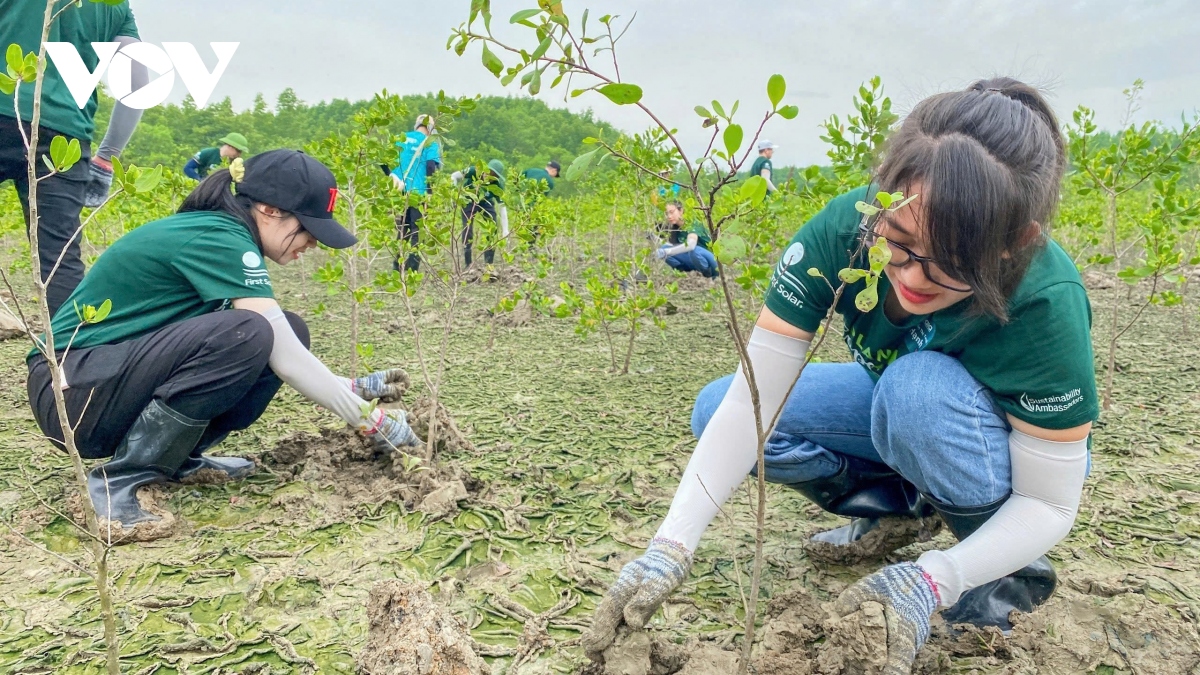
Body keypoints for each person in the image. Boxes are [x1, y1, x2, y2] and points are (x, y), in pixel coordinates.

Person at [582, 78, 1096, 673]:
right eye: (899, 242)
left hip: (987, 446)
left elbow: (1050, 502)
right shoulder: (845, 229)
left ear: (1015, 244)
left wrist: (935, 581)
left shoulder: (1045, 298)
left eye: (953, 263)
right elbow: (757, 398)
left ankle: (1004, 571)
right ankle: (900, 509)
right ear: (883, 191)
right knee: (719, 405)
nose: (912, 276)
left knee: (916, 392)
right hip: (896, 407)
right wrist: (669, 546)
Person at [26, 149, 421, 533]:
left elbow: (283, 342)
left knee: (284, 328)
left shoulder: (223, 232)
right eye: (309, 229)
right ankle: (117, 483)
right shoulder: (218, 236)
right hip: (70, 393)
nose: (313, 244)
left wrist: (349, 388)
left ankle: (179, 458)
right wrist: (371, 419)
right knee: (248, 334)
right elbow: (276, 349)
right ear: (269, 209)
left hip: (101, 381)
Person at [0, 0, 147, 316]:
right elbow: (137, 81)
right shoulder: (114, 6)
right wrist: (107, 156)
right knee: (59, 259)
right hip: (64, 132)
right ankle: (66, 360)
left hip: (3, 107)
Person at [391, 114, 441, 272]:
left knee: (402, 228)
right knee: (416, 231)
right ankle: (412, 268)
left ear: (417, 125)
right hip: (418, 192)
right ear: (431, 128)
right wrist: (430, 192)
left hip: (400, 191)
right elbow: (431, 166)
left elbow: (387, 159)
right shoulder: (430, 142)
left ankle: (397, 266)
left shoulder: (403, 138)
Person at [453, 159, 508, 269]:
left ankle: (489, 264)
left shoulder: (497, 185)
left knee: (492, 228)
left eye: (493, 175)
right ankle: (468, 264)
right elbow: (454, 176)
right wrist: (454, 195)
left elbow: (502, 207)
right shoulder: (474, 170)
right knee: (467, 229)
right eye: (488, 172)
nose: (488, 176)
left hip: (486, 202)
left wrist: (505, 229)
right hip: (468, 201)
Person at [654, 201, 717, 278]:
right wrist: (653, 238)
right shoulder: (676, 228)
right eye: (667, 213)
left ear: (681, 211)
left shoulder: (693, 222)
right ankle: (683, 274)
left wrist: (666, 252)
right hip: (694, 261)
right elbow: (673, 246)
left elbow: (691, 245)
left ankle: (707, 276)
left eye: (671, 212)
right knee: (664, 248)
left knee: (693, 250)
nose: (669, 216)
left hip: (712, 261)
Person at [183, 133, 250, 180]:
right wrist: (199, 180)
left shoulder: (235, 163)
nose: (239, 154)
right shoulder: (208, 153)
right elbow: (188, 168)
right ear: (230, 146)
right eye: (238, 151)